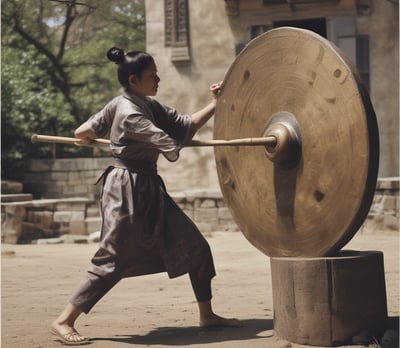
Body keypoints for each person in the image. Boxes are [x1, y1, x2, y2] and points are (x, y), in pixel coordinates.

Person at [50, 47, 241, 345]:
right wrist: (173, 144)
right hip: (125, 188)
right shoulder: (128, 113)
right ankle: (64, 320)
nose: (158, 79)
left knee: (195, 246)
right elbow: (166, 139)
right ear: (134, 79)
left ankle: (207, 314)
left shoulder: (139, 103)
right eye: (152, 76)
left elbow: (84, 130)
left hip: (149, 185)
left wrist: (214, 104)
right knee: (113, 257)